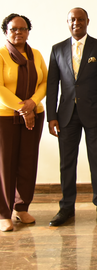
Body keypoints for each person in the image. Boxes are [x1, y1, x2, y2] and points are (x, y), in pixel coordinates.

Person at [46, 8, 97, 226]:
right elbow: (52, 86)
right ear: (67, 22)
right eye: (72, 19)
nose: (76, 22)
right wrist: (51, 116)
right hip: (65, 115)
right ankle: (66, 208)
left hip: (94, 115)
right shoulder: (57, 49)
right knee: (66, 163)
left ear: (87, 21)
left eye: (80, 19)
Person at [0, 14, 47, 232]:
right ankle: (4, 212)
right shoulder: (1, 55)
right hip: (5, 118)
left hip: (34, 115)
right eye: (13, 29)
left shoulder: (36, 55)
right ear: (5, 32)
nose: (18, 32)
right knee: (5, 165)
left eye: (23, 28)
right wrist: (22, 108)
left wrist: (32, 104)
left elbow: (45, 82)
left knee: (28, 162)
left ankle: (21, 207)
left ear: (29, 31)